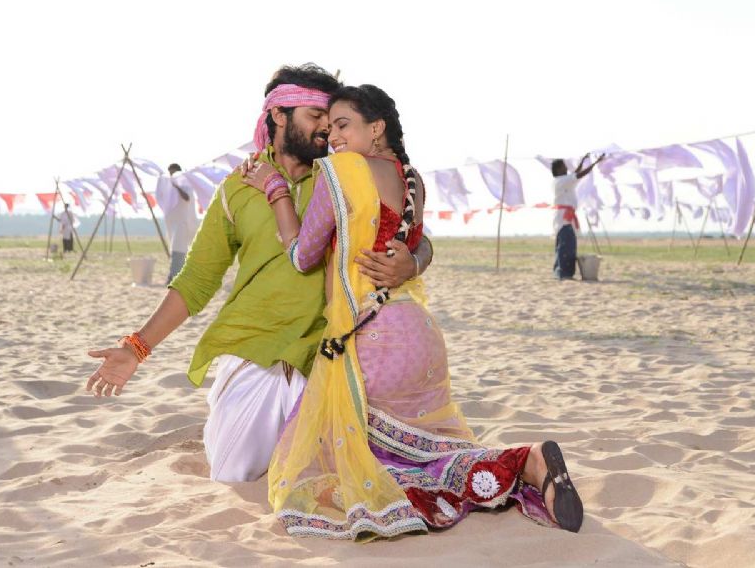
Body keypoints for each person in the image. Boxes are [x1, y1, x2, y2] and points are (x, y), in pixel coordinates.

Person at [245, 84, 583, 540]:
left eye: (342, 125)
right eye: (329, 128)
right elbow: (419, 243)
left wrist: (275, 192)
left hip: (371, 338)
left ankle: (519, 463)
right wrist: (417, 261)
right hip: (419, 333)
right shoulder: (412, 179)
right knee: (427, 451)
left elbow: (303, 255)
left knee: (338, 469)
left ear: (376, 128)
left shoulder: (339, 171)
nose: (333, 137)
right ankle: (527, 460)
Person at [84, 64, 433, 483]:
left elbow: (410, 229)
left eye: (332, 119)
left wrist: (413, 262)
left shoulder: (345, 173)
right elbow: (196, 280)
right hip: (255, 350)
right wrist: (136, 348)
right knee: (233, 474)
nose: (326, 128)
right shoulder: (237, 187)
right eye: (315, 116)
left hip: (329, 355)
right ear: (279, 115)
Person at [550, 154, 604, 280]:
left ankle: (561, 272)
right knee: (566, 245)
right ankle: (564, 273)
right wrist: (595, 163)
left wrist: (583, 161)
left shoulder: (561, 181)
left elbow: (574, 174)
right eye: (563, 166)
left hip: (564, 217)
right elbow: (579, 174)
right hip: (564, 218)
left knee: (565, 244)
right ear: (558, 169)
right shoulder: (562, 181)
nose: (566, 168)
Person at [163, 162, 199, 285]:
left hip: (185, 223)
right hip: (177, 224)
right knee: (178, 249)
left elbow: (187, 198)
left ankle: (174, 277)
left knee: (178, 249)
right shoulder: (172, 186)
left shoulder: (185, 185)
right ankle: (176, 276)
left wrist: (177, 188)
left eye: (172, 173)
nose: (171, 175)